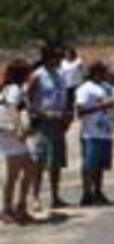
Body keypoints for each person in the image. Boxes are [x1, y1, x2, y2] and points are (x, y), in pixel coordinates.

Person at [27, 45, 72, 210]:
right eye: (57, 57)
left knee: (56, 162)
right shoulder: (37, 75)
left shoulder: (60, 75)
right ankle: (35, 197)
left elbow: (64, 97)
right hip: (43, 123)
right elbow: (27, 102)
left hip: (58, 122)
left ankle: (55, 196)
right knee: (40, 160)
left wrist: (66, 114)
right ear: (48, 57)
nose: (60, 60)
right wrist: (43, 114)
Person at [75, 61, 114, 206]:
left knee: (100, 165)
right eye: (102, 72)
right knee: (89, 164)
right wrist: (102, 106)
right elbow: (80, 111)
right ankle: (87, 193)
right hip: (91, 132)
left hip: (106, 131)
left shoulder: (107, 87)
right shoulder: (85, 88)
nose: (105, 74)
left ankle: (98, 191)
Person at [1, 60, 36, 225]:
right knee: (13, 172)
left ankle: (19, 206)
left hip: (10, 132)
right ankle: (8, 209)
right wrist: (19, 128)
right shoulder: (14, 89)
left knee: (29, 168)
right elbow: (11, 108)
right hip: (11, 133)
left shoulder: (14, 88)